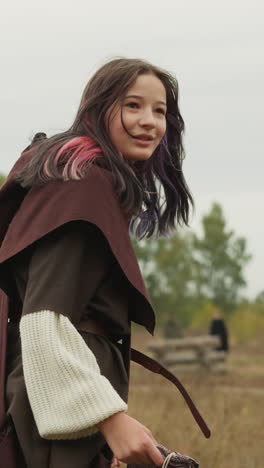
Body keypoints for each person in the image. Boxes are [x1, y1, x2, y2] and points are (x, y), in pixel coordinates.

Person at [0, 58, 193, 468]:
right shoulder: (83, 186)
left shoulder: (83, 182)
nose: (150, 122)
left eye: (160, 111)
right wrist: (109, 420)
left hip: (62, 406)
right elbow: (44, 320)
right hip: (52, 414)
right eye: (133, 106)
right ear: (97, 109)